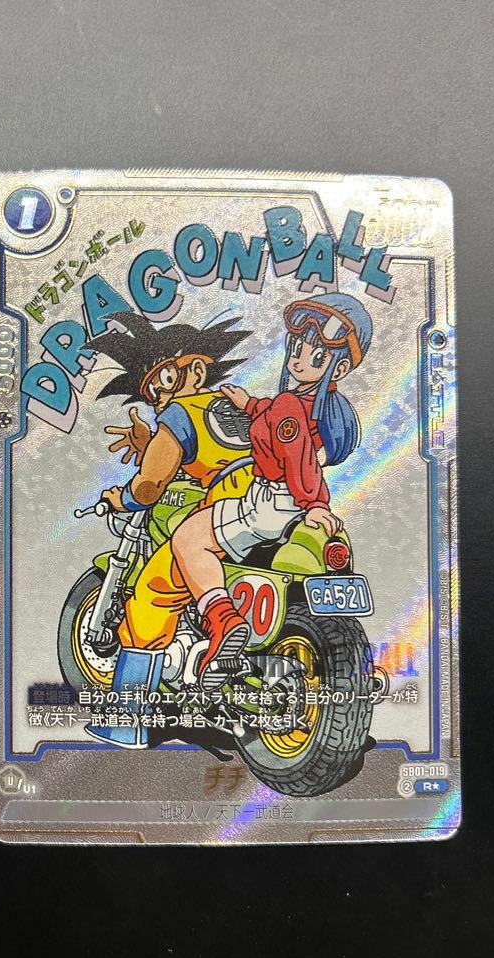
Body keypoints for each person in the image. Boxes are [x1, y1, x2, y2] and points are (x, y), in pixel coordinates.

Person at [168, 292, 370, 689]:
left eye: (317, 356)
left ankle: (222, 621)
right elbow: (284, 423)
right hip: (293, 506)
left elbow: (298, 456)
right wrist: (249, 404)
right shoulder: (319, 404)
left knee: (188, 539)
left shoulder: (289, 406)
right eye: (297, 349)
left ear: (340, 366)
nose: (300, 359)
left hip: (272, 504)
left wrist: (314, 502)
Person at [84, 312, 255, 744]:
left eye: (164, 378)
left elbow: (150, 487)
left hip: (224, 510)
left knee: (151, 597)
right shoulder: (241, 405)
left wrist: (121, 497)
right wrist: (154, 446)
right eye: (151, 392)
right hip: (277, 508)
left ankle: (124, 724)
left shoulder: (180, 414)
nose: (159, 396)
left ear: (196, 370)